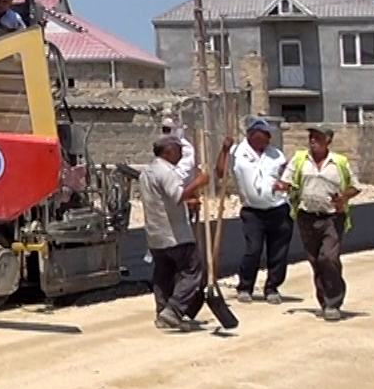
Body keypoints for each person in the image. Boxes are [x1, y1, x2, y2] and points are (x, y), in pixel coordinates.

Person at [276, 126, 359, 322]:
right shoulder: (300, 160)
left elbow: (355, 186)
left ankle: (334, 301)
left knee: (328, 258)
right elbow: (287, 181)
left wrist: (343, 197)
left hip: (331, 218)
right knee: (315, 261)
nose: (313, 140)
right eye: (311, 137)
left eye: (318, 137)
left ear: (328, 140)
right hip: (307, 217)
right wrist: (282, 186)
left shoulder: (339, 162)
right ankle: (325, 301)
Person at [218, 115, 291, 304]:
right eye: (261, 135)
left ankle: (272, 288)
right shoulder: (236, 153)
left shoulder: (276, 155)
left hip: (278, 209)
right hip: (253, 211)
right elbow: (220, 172)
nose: (266, 139)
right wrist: (224, 150)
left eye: (267, 135)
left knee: (278, 252)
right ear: (251, 135)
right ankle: (245, 286)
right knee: (253, 249)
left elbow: (287, 177)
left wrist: (286, 186)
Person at [141, 134, 211, 331]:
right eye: (178, 149)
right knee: (193, 270)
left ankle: (162, 312)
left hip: (155, 234)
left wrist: (188, 202)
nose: (181, 154)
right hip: (175, 234)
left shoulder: (147, 172)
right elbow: (177, 194)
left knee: (163, 274)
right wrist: (199, 182)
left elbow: (164, 200)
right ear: (169, 151)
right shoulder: (167, 172)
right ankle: (174, 310)